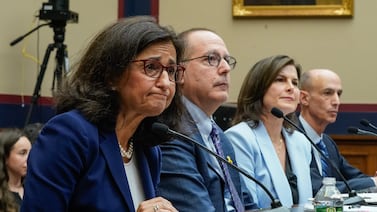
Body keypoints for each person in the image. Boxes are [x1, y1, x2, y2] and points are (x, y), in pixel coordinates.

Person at [21, 16, 186, 211]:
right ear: (111, 76)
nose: (166, 83)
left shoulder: (149, 150)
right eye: (151, 67)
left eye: (172, 71)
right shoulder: (70, 134)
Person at [156, 28, 256, 212]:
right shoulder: (172, 133)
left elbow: (246, 203)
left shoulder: (220, 137)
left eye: (227, 59)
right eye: (211, 59)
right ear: (179, 72)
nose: (225, 68)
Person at [225, 55, 313, 208]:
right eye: (280, 80)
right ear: (259, 87)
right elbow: (246, 206)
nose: (290, 88)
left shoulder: (301, 141)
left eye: (295, 82)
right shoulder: (239, 138)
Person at [298, 68, 377, 195]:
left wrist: (372, 181)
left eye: (338, 94)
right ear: (304, 98)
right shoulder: (290, 137)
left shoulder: (327, 143)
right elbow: (315, 187)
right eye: (327, 93)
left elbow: (352, 176)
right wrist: (373, 182)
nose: (336, 102)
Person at [0, 128, 32, 211]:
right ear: (5, 157)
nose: (29, 158)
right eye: (22, 153)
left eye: (31, 152)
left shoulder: (33, 188)